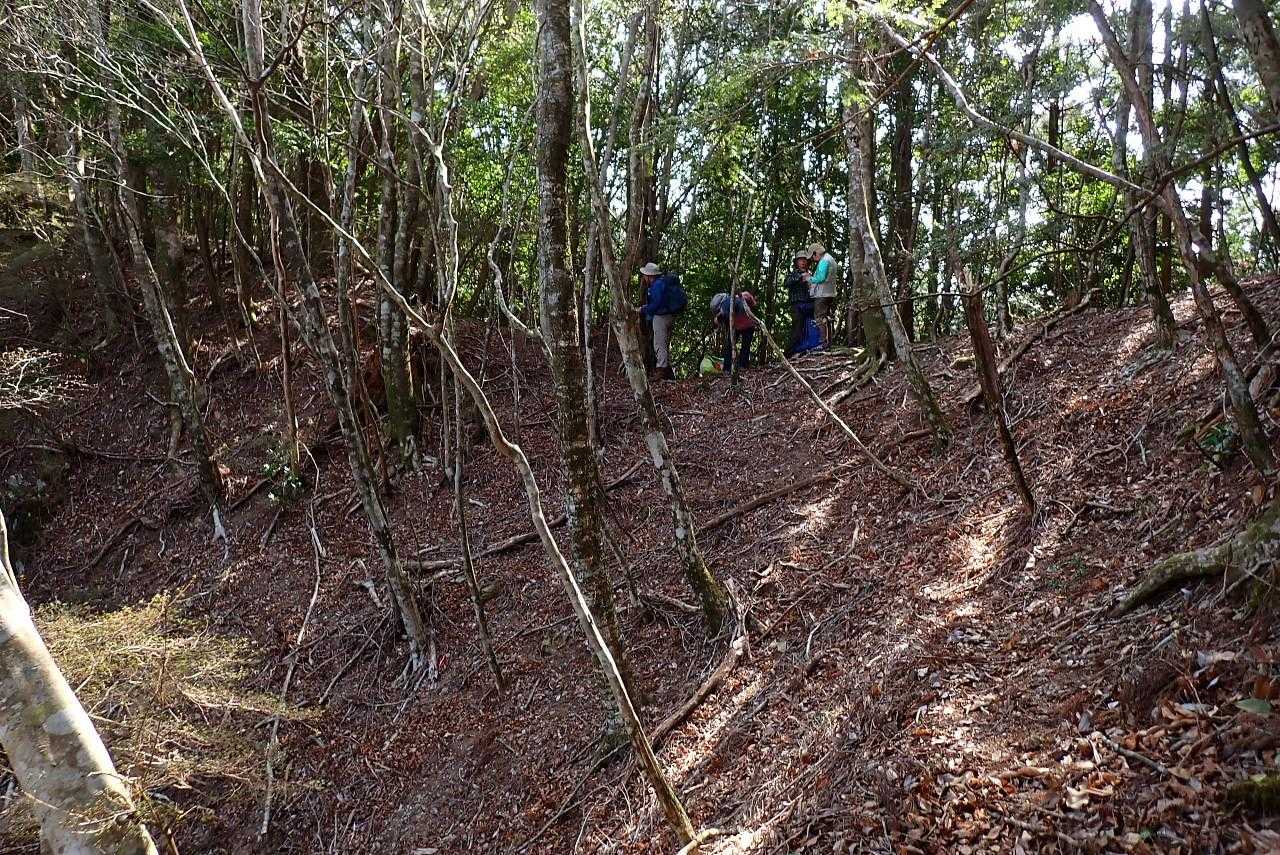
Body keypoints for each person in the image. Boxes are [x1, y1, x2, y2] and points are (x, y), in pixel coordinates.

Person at [639, 261, 686, 381]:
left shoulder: (657, 285)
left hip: (661, 317)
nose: (644, 278)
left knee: (659, 344)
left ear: (649, 276)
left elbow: (656, 304)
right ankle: (669, 373)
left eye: (645, 276)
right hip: (670, 316)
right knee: (664, 344)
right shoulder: (662, 283)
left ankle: (661, 371)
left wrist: (644, 309)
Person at [711, 290, 757, 372]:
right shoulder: (738, 298)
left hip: (742, 324)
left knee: (731, 346)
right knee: (744, 347)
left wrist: (718, 319)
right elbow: (753, 303)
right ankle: (742, 367)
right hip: (745, 324)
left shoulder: (727, 302)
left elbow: (724, 314)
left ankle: (728, 369)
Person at [807, 242, 840, 346]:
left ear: (815, 253)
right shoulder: (830, 259)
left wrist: (809, 278)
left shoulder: (824, 261)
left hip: (822, 294)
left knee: (819, 318)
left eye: (812, 256)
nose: (813, 259)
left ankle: (823, 343)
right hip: (829, 293)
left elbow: (821, 278)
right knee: (826, 318)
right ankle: (828, 342)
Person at [784, 250, 814, 356]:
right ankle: (788, 354)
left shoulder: (811, 274)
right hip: (797, 305)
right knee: (797, 330)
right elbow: (786, 283)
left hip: (809, 304)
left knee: (810, 327)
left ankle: (806, 350)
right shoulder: (793, 274)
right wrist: (800, 277)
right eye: (800, 260)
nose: (803, 262)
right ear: (797, 262)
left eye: (805, 260)